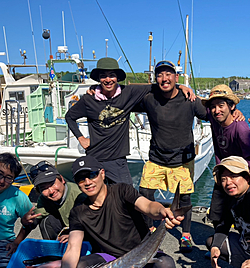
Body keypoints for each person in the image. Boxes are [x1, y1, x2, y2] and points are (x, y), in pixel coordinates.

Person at [48, 155, 185, 268]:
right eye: (81, 178)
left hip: (141, 254)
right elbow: (73, 248)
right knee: (80, 267)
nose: (87, 181)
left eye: (92, 174)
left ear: (102, 174)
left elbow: (148, 206)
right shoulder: (78, 212)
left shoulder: (121, 191)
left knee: (166, 267)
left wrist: (162, 212)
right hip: (110, 260)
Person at [65, 57, 193, 185]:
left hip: (117, 160)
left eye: (112, 75)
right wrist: (80, 138)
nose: (108, 80)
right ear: (99, 79)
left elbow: (158, 86)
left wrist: (180, 86)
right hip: (94, 158)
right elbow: (69, 117)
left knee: (126, 197)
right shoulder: (89, 99)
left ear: (117, 78)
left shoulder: (128, 93)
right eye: (103, 76)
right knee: (98, 199)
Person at [136, 60, 208, 252]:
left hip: (183, 160)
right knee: (145, 194)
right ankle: (149, 230)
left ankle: (185, 235)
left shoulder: (189, 100)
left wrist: (234, 114)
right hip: (157, 158)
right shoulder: (149, 99)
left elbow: (212, 114)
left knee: (184, 199)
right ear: (155, 79)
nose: (164, 78)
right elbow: (126, 96)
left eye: (169, 74)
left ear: (176, 77)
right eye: (160, 75)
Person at [203, 85, 250, 253]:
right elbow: (196, 103)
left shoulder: (240, 128)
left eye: (221, 105)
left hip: (242, 177)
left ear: (231, 106)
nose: (216, 110)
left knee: (249, 218)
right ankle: (218, 245)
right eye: (213, 106)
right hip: (223, 175)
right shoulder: (214, 118)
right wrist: (185, 89)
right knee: (217, 213)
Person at [24, 160, 87, 242]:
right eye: (44, 188)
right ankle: (53, 250)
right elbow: (33, 220)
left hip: (85, 232)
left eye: (52, 184)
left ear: (62, 179)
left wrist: (74, 235)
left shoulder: (79, 195)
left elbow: (95, 224)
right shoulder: (45, 198)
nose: (51, 191)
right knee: (46, 221)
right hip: (67, 229)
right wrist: (16, 242)